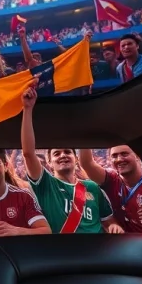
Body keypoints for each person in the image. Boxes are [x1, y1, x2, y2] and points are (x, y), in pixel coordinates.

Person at [21, 87, 123, 234]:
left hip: (96, 251)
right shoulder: (46, 184)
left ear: (76, 159)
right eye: (57, 153)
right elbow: (28, 153)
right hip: (65, 251)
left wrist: (115, 226)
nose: (63, 155)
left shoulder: (92, 187)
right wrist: (27, 109)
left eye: (68, 152)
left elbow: (108, 220)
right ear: (49, 162)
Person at [78, 146, 142, 234]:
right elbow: (87, 164)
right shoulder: (112, 181)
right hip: (128, 243)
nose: (119, 159)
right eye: (114, 156)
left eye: (124, 154)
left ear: (137, 156)